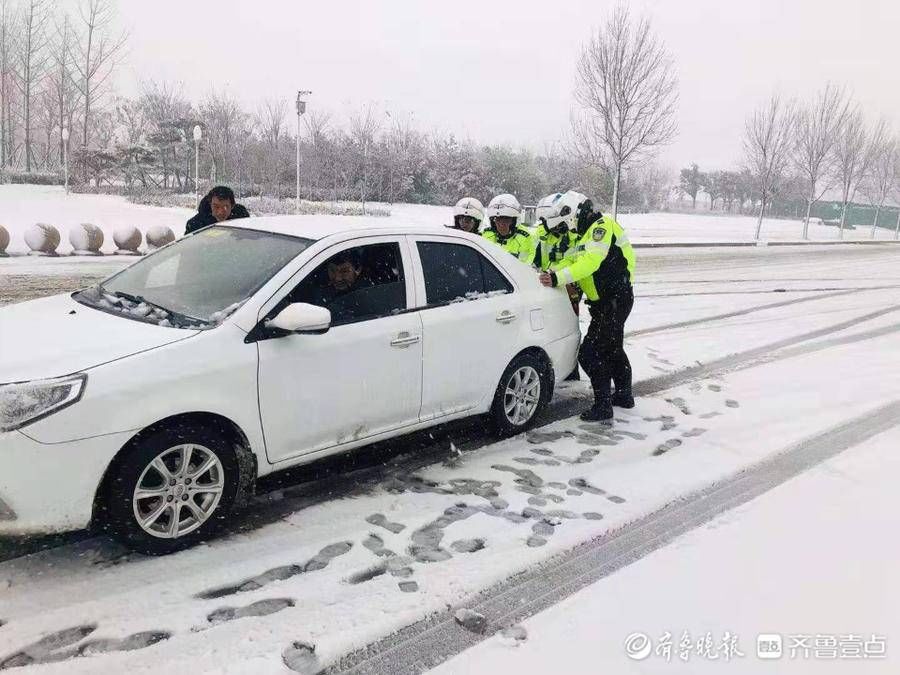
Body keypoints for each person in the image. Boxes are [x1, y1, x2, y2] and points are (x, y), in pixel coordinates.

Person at [539, 194, 636, 423]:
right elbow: (573, 262)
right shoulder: (584, 234)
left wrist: (556, 278)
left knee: (590, 353)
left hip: (614, 300)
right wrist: (550, 272)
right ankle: (624, 395)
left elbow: (590, 262)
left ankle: (603, 406)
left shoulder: (601, 227)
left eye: (566, 221)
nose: (566, 227)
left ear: (574, 213)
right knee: (612, 348)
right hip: (606, 302)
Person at [534, 191, 586, 381]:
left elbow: (575, 261)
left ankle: (570, 369)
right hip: (547, 285)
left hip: (569, 287)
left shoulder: (575, 236)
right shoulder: (541, 234)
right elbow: (534, 256)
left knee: (568, 328)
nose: (544, 224)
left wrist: (554, 275)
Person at [482, 193, 536, 263]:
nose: (501, 225)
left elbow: (525, 266)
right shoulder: (487, 235)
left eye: (506, 220)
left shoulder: (524, 238)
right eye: (497, 220)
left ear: (514, 221)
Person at [185, 186, 250, 234]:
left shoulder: (242, 222)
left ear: (232, 206)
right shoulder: (195, 225)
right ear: (210, 204)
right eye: (216, 207)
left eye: (225, 207)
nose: (220, 212)